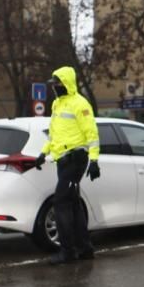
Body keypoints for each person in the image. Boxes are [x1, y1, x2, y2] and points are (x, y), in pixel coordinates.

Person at [35, 66, 101, 264]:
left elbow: (92, 133)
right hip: (62, 161)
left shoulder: (80, 104)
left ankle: (68, 251)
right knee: (72, 204)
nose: (54, 87)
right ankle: (85, 248)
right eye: (53, 84)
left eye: (58, 83)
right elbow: (55, 135)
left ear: (66, 83)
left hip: (76, 159)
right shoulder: (57, 104)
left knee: (61, 202)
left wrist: (94, 160)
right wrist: (43, 153)